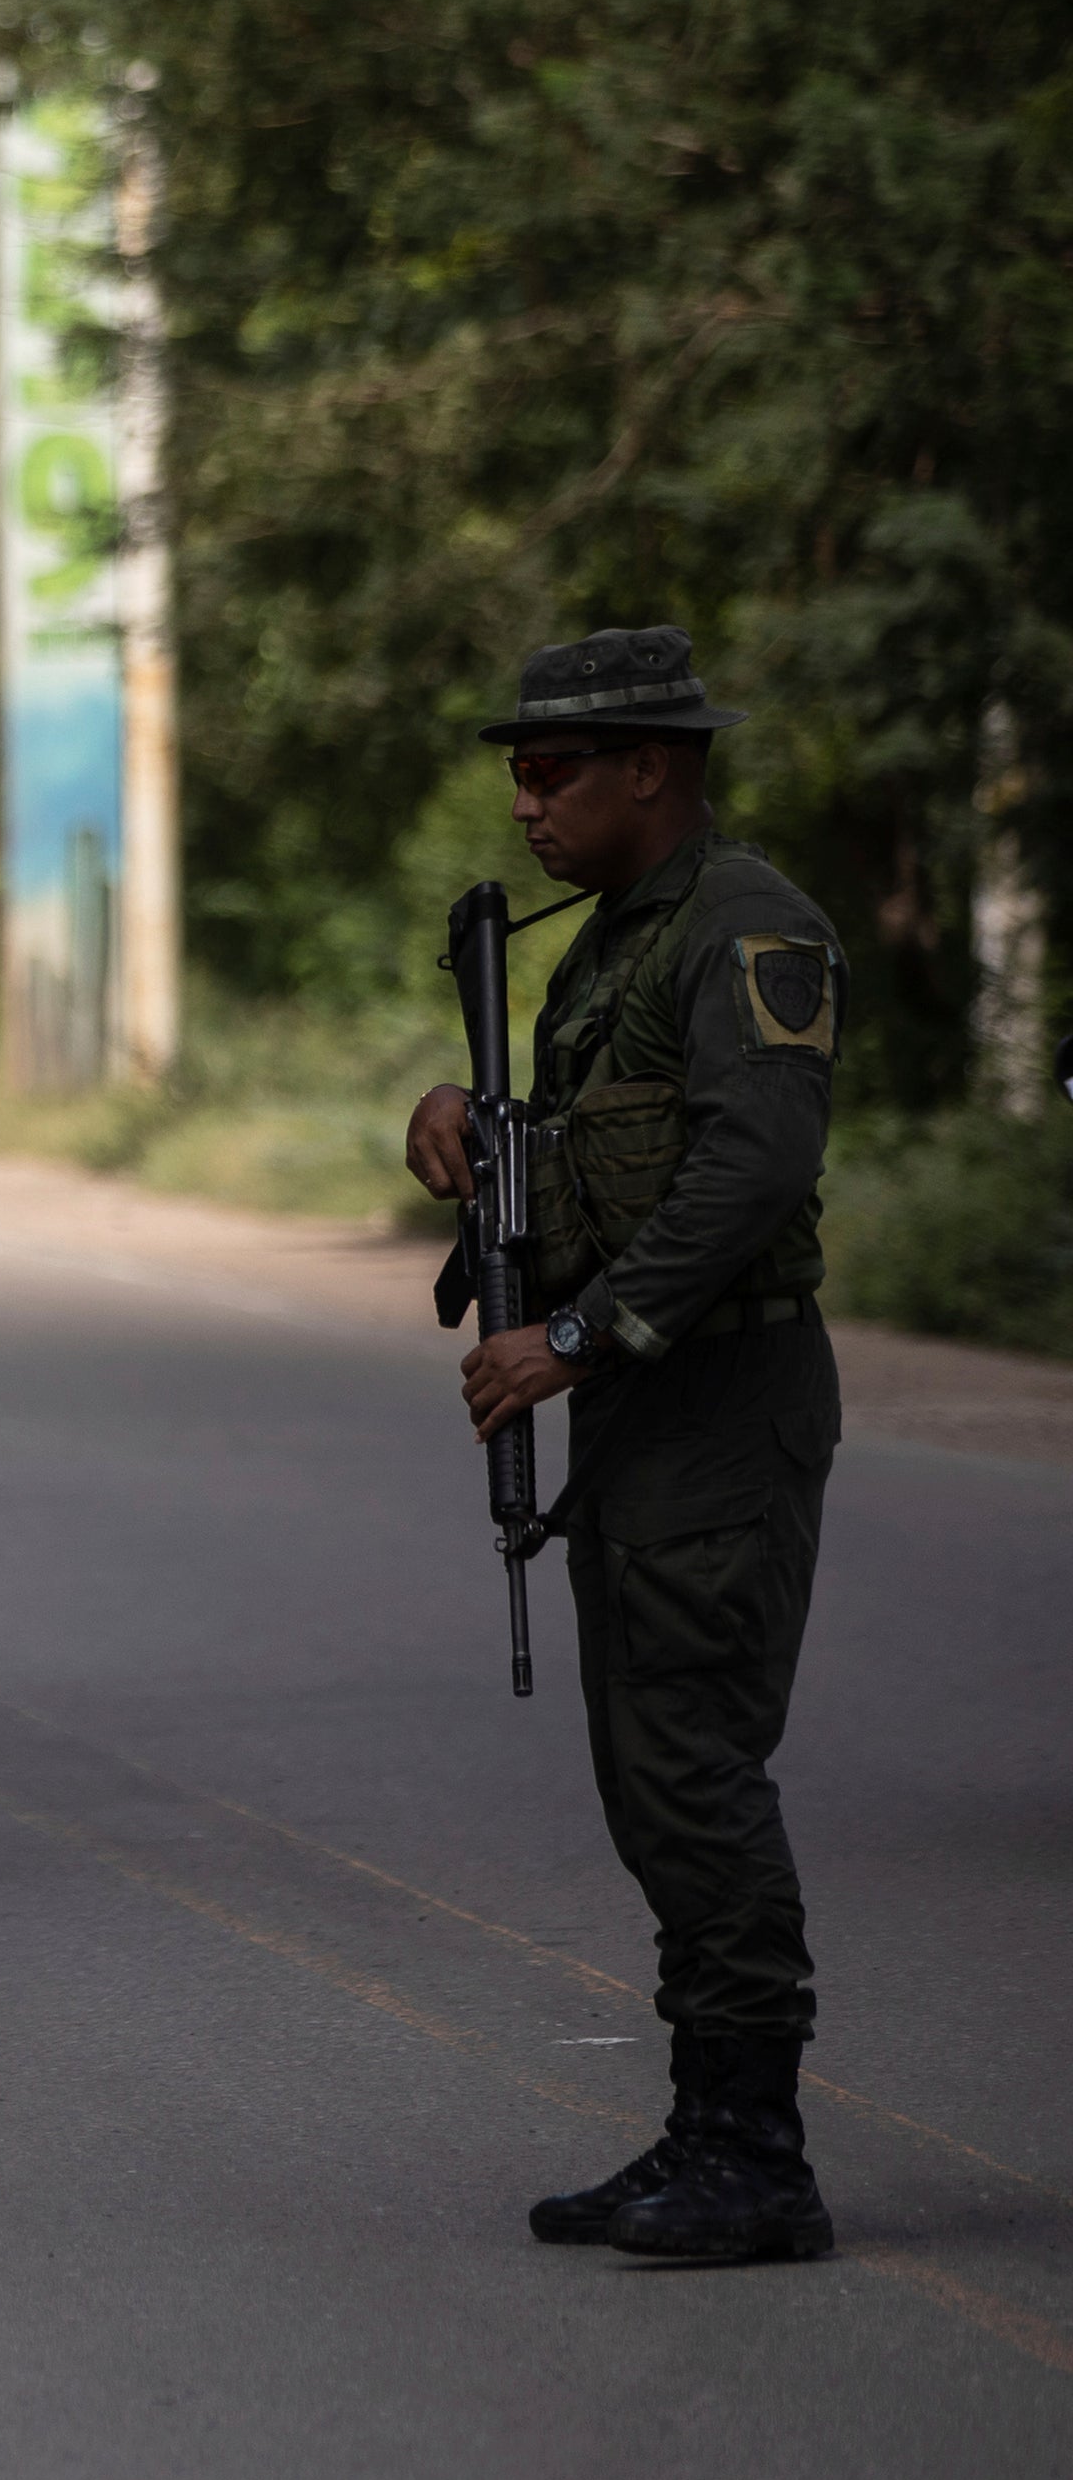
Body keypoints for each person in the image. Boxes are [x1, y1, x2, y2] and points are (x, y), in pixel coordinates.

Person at [404, 627, 845, 2264]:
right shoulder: (615, 944)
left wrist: (577, 1340)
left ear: (651, 767)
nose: (524, 804)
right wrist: (469, 1119)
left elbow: (753, 1169)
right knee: (652, 1777)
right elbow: (609, 1151)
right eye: (518, 774)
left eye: (549, 771)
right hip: (652, 1408)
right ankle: (705, 2128)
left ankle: (758, 2157)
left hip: (718, 1394)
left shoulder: (745, 929)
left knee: (695, 1771)